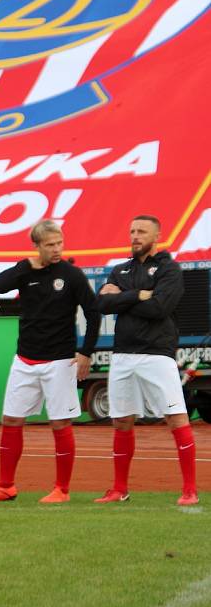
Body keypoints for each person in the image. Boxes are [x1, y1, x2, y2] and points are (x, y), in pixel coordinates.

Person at [0, 219, 100, 504]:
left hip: (60, 361)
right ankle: (5, 486)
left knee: (60, 424)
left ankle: (62, 489)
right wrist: (26, 266)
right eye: (50, 245)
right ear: (37, 246)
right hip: (24, 359)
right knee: (10, 420)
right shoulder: (26, 271)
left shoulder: (72, 275)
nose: (57, 249)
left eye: (59, 243)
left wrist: (86, 353)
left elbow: (93, 313)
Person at [94, 215, 198, 506]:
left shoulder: (169, 269)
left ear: (157, 236)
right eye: (132, 231)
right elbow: (101, 303)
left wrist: (122, 299)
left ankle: (190, 489)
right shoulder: (121, 269)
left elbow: (160, 307)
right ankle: (119, 489)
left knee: (175, 417)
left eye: (142, 232)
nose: (135, 236)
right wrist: (138, 295)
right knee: (122, 421)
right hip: (123, 354)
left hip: (157, 353)